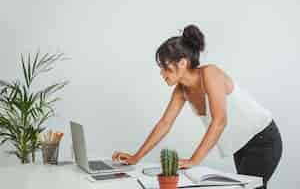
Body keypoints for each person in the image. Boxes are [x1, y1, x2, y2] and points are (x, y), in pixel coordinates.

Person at [112, 24, 282, 189]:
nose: (161, 73)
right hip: (241, 146)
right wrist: (136, 157)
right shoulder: (181, 90)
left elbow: (220, 121)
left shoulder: (210, 73)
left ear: (182, 63)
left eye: (165, 67)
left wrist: (194, 160)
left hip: (263, 140)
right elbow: (165, 123)